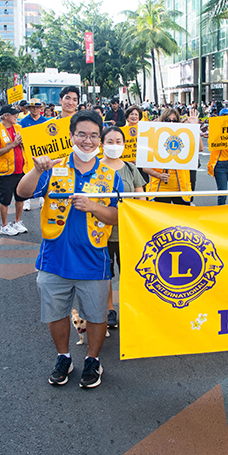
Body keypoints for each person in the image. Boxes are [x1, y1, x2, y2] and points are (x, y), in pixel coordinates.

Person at [16, 110, 123, 389]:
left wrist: (94, 207)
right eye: (82, 134)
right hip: (54, 259)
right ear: (72, 136)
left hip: (93, 260)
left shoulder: (110, 176)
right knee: (56, 313)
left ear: (99, 140)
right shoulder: (52, 167)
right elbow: (22, 192)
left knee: (97, 315)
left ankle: (92, 359)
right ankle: (63, 357)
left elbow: (118, 217)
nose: (87, 141)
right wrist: (37, 168)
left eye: (93, 136)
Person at [100, 125, 145, 329]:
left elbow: (141, 198)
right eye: (110, 141)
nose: (114, 145)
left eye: (118, 141)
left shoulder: (130, 168)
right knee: (106, 273)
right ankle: (110, 309)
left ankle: (131, 307)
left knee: (130, 272)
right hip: (100, 233)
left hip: (127, 232)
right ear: (102, 144)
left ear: (124, 145)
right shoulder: (94, 168)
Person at [143, 107, 203, 205]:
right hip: (160, 188)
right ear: (162, 120)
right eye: (168, 120)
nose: (171, 123)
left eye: (174, 121)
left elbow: (200, 148)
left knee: (181, 218)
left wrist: (194, 128)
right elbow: (145, 167)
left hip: (181, 188)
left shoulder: (184, 136)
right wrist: (159, 175)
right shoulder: (154, 137)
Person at [0, 105, 28, 236]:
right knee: (5, 200)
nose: (16, 116)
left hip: (20, 169)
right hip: (6, 171)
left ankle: (17, 221)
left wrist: (23, 143)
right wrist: (13, 144)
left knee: (20, 197)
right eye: (13, 114)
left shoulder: (18, 128)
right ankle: (4, 225)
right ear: (5, 116)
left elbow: (25, 145)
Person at [19, 98, 48, 211]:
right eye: (32, 107)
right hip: (29, 153)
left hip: (44, 151)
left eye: (37, 107)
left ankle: (42, 200)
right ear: (29, 108)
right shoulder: (24, 121)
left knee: (44, 174)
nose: (35, 109)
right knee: (29, 175)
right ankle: (27, 201)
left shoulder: (45, 121)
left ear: (40, 108)